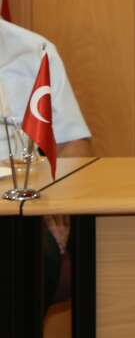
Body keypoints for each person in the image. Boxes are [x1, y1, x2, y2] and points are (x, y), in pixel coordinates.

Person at [0, 17, 95, 310]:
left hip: (18, 214)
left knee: (30, 257)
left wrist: (59, 208)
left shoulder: (35, 51)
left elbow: (72, 145)